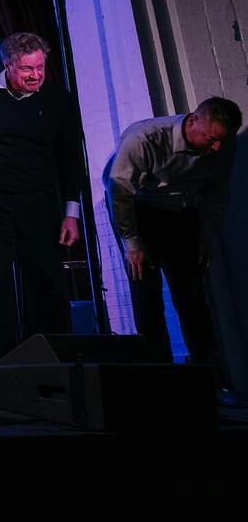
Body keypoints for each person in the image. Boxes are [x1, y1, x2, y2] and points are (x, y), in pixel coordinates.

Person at [0, 31, 85, 363]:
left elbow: (69, 156)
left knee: (48, 281)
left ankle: (52, 361)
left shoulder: (57, 99)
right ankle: (5, 367)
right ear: (7, 65)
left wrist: (71, 211)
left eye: (40, 67)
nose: (35, 75)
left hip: (39, 200)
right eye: (26, 69)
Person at [104, 97, 240, 377]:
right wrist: (133, 243)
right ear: (193, 121)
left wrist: (204, 238)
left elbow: (216, 195)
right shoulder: (145, 138)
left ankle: (211, 378)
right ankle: (161, 376)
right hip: (140, 210)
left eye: (221, 141)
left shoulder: (222, 144)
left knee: (191, 295)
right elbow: (120, 192)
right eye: (211, 138)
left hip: (181, 212)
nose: (216, 147)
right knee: (146, 295)